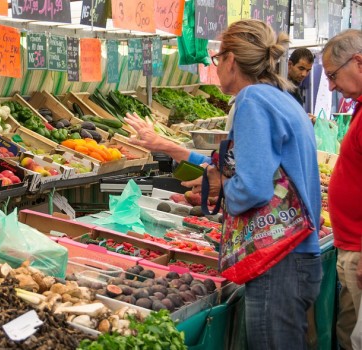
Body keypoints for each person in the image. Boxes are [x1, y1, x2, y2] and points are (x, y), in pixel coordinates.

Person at [128, 19, 322, 350]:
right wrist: (176, 151)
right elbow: (240, 167)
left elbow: (252, 188)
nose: (216, 67)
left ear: (231, 60)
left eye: (217, 59)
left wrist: (221, 188)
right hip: (296, 256)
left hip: (279, 262)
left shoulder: (252, 101)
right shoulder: (281, 97)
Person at [322, 29, 362, 350]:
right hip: (351, 244)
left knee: (355, 336)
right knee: (349, 329)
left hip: (360, 249)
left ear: (358, 63)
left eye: (333, 76)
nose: (332, 86)